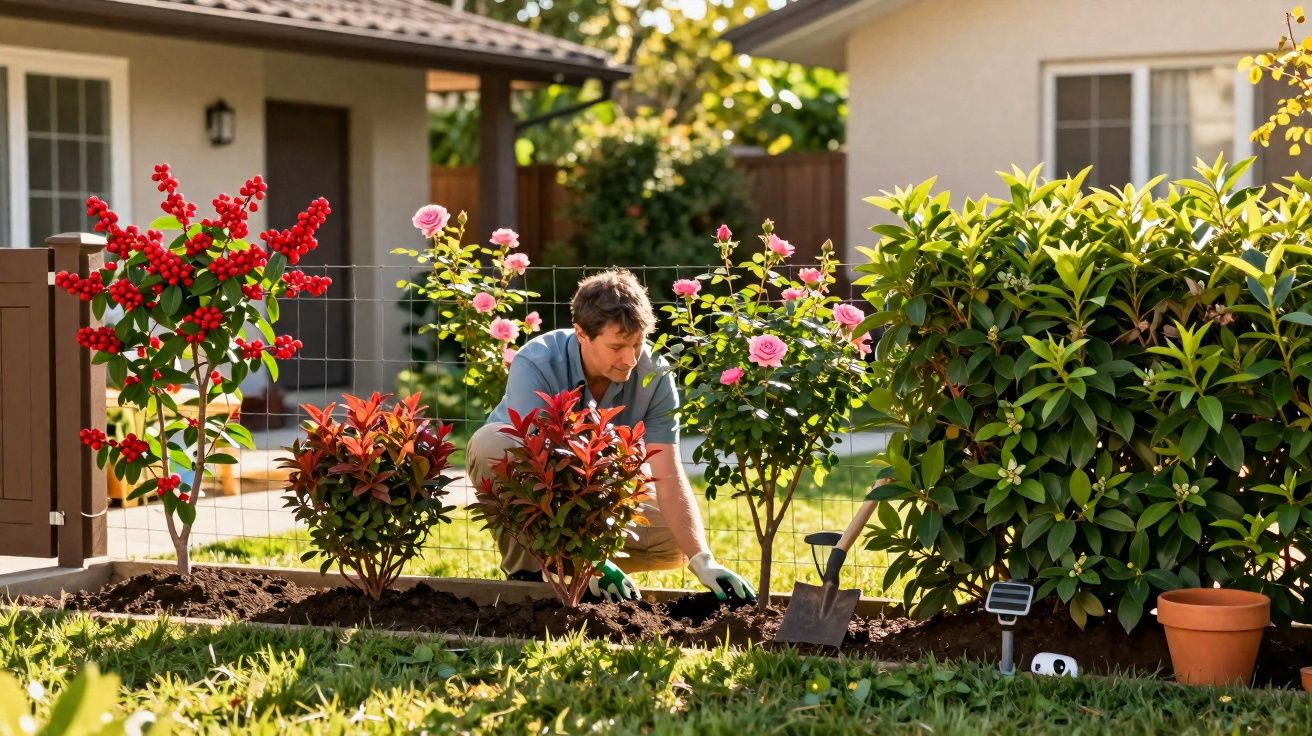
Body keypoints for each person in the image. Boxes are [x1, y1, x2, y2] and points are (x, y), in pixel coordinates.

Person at [466, 268, 756, 603]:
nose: (630, 358)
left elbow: (668, 474)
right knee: (494, 443)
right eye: (617, 346)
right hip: (535, 481)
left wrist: (703, 561)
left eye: (637, 343)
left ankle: (578, 571)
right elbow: (537, 465)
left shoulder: (654, 375)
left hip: (598, 491)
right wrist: (593, 561)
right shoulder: (538, 360)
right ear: (581, 333)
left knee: (678, 542)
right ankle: (531, 574)